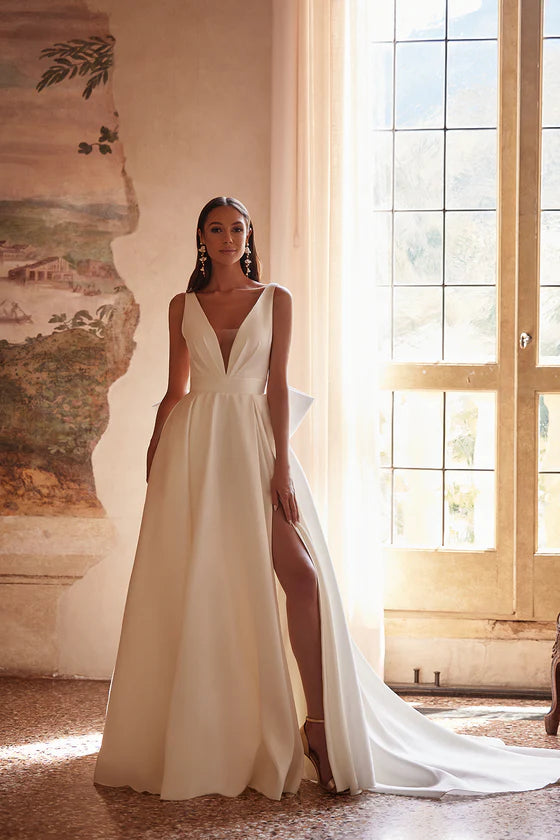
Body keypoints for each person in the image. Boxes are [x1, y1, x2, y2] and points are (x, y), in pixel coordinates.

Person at [94, 196, 560, 802]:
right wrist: (155, 458)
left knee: (303, 579)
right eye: (216, 228)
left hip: (256, 446)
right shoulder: (182, 307)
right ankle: (211, 734)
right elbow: (174, 390)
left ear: (248, 235)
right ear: (201, 238)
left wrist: (282, 465)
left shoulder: (276, 299)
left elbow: (278, 385)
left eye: (237, 228)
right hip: (195, 455)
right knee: (203, 585)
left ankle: (317, 725)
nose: (227, 237)